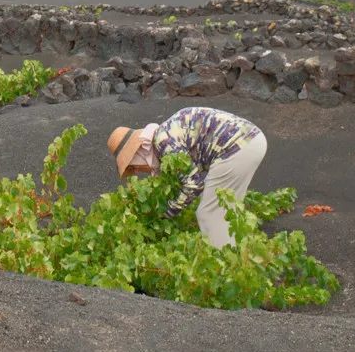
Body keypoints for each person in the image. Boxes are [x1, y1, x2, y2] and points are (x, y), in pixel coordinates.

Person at [108, 106, 267, 248]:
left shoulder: (163, 143)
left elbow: (194, 184)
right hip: (251, 140)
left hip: (236, 147)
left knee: (208, 213)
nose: (139, 171)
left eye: (135, 167)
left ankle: (224, 263)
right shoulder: (165, 133)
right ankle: (237, 252)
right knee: (225, 209)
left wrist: (167, 212)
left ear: (138, 154)